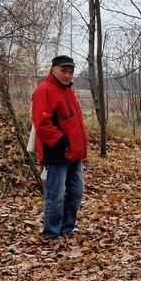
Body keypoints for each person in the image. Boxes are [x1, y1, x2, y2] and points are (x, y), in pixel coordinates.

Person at [32, 55, 88, 240]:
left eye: (70, 72)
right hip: (56, 153)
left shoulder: (68, 91)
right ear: (53, 69)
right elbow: (42, 123)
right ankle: (51, 234)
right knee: (55, 197)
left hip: (74, 153)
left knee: (76, 192)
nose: (67, 75)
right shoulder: (44, 90)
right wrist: (61, 141)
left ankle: (67, 228)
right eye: (63, 71)